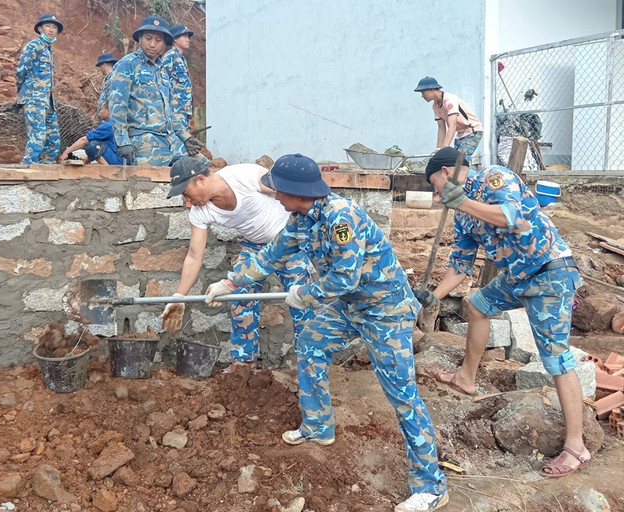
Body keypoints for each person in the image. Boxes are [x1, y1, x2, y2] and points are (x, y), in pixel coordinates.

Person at [206, 154, 448, 512]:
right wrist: (229, 282)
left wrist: (305, 293)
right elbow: (272, 254)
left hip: (385, 309)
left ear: (293, 191)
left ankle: (431, 485)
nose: (271, 193)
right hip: (351, 304)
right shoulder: (302, 217)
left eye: (276, 188)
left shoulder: (340, 217)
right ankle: (318, 425)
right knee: (310, 342)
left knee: (401, 395)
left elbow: (344, 277)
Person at [417, 147, 589, 478]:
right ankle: (466, 379)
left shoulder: (494, 178)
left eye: (433, 184)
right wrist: (430, 296)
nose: (434, 193)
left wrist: (462, 201)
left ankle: (576, 447)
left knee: (555, 358)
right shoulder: (462, 215)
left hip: (548, 271)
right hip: (518, 276)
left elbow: (513, 216)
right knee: (479, 304)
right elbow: (460, 266)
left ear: (442, 172)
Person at [161, 157, 313, 372]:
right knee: (241, 296)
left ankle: (308, 367)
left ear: (200, 180)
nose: (187, 202)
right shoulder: (199, 212)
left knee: (301, 299)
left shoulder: (245, 176)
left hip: (290, 243)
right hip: (253, 246)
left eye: (186, 193)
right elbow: (194, 255)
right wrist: (179, 297)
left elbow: (289, 192)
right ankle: (244, 362)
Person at [108, 15, 205, 166]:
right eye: (148, 38)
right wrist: (122, 141)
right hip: (144, 140)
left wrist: (186, 137)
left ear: (164, 44)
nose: (152, 44)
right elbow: (117, 104)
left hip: (170, 139)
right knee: (150, 184)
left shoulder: (162, 71)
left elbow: (170, 112)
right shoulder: (128, 64)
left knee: (201, 165)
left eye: (158, 40)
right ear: (140, 38)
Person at [16, 14, 62, 165]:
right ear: (40, 28)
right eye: (48, 26)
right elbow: (21, 71)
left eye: (54, 27)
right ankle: (28, 169)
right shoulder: (33, 46)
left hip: (48, 103)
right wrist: (24, 92)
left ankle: (44, 170)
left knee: (54, 141)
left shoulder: (49, 50)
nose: (51, 30)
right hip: (34, 99)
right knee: (38, 137)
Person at [415, 76, 483, 159]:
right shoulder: (435, 106)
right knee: (452, 161)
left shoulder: (449, 100)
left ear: (432, 89)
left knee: (460, 162)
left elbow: (452, 126)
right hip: (461, 133)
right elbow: (441, 128)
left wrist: (445, 148)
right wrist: (438, 149)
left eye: (423, 92)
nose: (422, 96)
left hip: (472, 130)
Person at [163, 24, 194, 131]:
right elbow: (162, 80)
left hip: (183, 109)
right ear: (175, 39)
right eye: (185, 36)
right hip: (175, 110)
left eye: (188, 37)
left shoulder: (181, 58)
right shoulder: (170, 56)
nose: (188, 40)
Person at [58, 115, 123, 165]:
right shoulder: (118, 123)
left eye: (102, 109)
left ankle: (109, 170)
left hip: (118, 161)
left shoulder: (108, 125)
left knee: (92, 145)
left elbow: (84, 140)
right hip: (124, 160)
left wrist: (66, 152)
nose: (100, 112)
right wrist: (88, 159)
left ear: (108, 112)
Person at [95, 52, 118, 121]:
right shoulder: (108, 79)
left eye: (100, 66)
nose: (100, 69)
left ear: (104, 65)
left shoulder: (113, 78)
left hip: (109, 120)